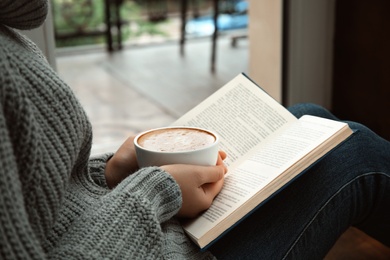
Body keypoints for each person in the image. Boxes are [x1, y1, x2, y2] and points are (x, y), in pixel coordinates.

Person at [0, 1, 389, 259]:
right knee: (356, 154)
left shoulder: (8, 34)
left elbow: (42, 196)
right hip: (152, 244)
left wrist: (109, 175)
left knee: (309, 118)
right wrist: (156, 190)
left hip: (120, 226)